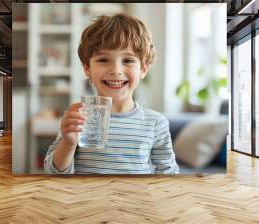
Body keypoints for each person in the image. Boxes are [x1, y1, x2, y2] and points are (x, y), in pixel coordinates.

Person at [44, 13, 179, 174]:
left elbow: (168, 174)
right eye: (103, 60)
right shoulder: (78, 117)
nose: (116, 71)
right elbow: (52, 172)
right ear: (87, 69)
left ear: (143, 69)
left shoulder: (156, 123)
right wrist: (68, 143)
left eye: (128, 60)